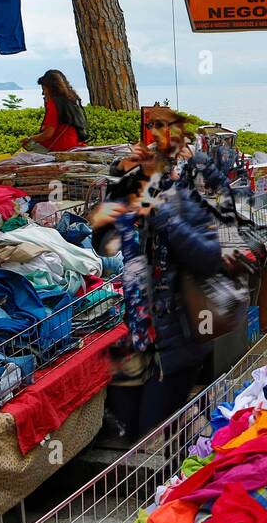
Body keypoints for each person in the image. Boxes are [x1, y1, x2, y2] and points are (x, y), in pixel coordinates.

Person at [91, 105, 231, 445]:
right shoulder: (130, 202)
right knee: (129, 427)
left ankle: (192, 449)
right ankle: (190, 437)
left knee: (152, 427)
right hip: (138, 338)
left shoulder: (186, 203)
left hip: (177, 340)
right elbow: (101, 244)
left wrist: (164, 217)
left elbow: (210, 258)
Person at [23, 70, 87, 153]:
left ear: (51, 88)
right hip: (73, 145)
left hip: (57, 148)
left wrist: (30, 138)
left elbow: (48, 134)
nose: (43, 93)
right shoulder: (72, 101)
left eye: (44, 89)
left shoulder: (54, 103)